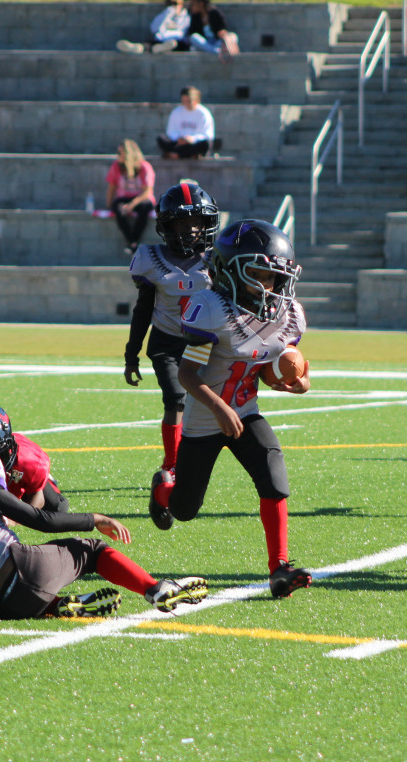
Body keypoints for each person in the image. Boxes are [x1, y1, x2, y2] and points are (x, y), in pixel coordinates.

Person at [148, 220, 314, 599]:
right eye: (257, 273)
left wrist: (298, 382)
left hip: (246, 410)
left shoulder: (288, 314)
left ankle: (280, 569)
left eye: (273, 276)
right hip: (206, 418)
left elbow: (273, 369)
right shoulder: (211, 308)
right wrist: (220, 408)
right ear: (228, 271)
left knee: (273, 473)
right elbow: (188, 375)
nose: (268, 285)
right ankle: (161, 489)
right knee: (185, 508)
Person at [0, 425, 208, 617]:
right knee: (92, 551)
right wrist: (93, 518)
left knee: (29, 589)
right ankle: (155, 589)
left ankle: (60, 606)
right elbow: (40, 519)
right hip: (24, 568)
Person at [124, 182, 220, 478]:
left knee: (208, 404)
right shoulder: (151, 259)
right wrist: (132, 354)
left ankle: (192, 461)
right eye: (182, 222)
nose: (191, 229)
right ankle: (172, 463)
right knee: (176, 398)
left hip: (202, 342)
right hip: (166, 342)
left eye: (196, 222)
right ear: (167, 225)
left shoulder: (217, 261)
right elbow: (142, 310)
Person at [105, 140, 157, 254]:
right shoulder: (116, 166)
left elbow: (147, 192)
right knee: (119, 209)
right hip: (124, 198)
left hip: (141, 199)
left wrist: (132, 205)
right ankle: (132, 241)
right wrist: (109, 204)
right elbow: (112, 186)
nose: (118, 156)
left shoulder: (144, 167)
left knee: (144, 210)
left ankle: (134, 241)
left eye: (120, 153)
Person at [157, 86, 215, 160]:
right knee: (161, 139)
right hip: (179, 143)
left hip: (194, 144)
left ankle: (177, 154)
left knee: (206, 144)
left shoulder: (204, 114)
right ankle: (188, 155)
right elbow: (170, 131)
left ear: (196, 100)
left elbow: (207, 135)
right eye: (184, 101)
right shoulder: (176, 112)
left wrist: (193, 139)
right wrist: (179, 138)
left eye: (189, 101)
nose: (186, 104)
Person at [117, 0, 189, 54]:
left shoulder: (185, 17)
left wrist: (167, 34)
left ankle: (159, 48)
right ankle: (136, 48)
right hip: (160, 40)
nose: (172, 6)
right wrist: (167, 14)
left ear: (182, 4)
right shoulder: (165, 14)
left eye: (175, 4)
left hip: (176, 41)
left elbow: (182, 33)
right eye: (169, 3)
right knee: (149, 43)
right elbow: (154, 29)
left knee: (174, 44)